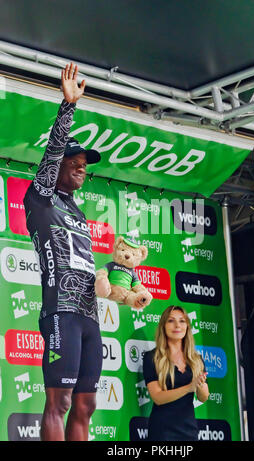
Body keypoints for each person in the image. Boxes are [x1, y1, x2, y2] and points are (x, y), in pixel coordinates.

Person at [23, 63, 102, 441]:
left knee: (86, 406)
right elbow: (54, 152)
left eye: (84, 166)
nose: (80, 169)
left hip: (90, 318)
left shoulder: (78, 212)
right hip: (61, 314)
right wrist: (67, 107)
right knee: (61, 402)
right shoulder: (40, 198)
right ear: (55, 169)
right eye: (73, 163)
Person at [143, 305, 209, 441]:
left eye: (182, 321)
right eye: (171, 320)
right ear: (163, 326)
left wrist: (200, 384)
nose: (177, 325)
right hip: (162, 432)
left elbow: (203, 397)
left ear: (187, 327)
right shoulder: (152, 357)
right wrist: (189, 387)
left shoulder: (197, 359)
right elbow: (158, 398)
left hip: (189, 431)